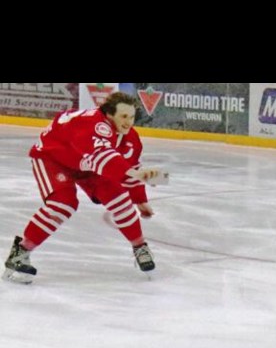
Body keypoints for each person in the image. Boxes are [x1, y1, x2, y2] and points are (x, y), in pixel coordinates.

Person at [3, 92, 167, 284]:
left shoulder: (131, 139)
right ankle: (20, 252)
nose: (128, 122)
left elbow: (129, 168)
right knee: (63, 204)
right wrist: (138, 175)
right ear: (108, 114)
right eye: (123, 116)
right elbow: (104, 160)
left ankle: (140, 247)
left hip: (86, 165)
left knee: (119, 199)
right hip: (54, 158)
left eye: (132, 117)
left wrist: (139, 199)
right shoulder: (91, 125)